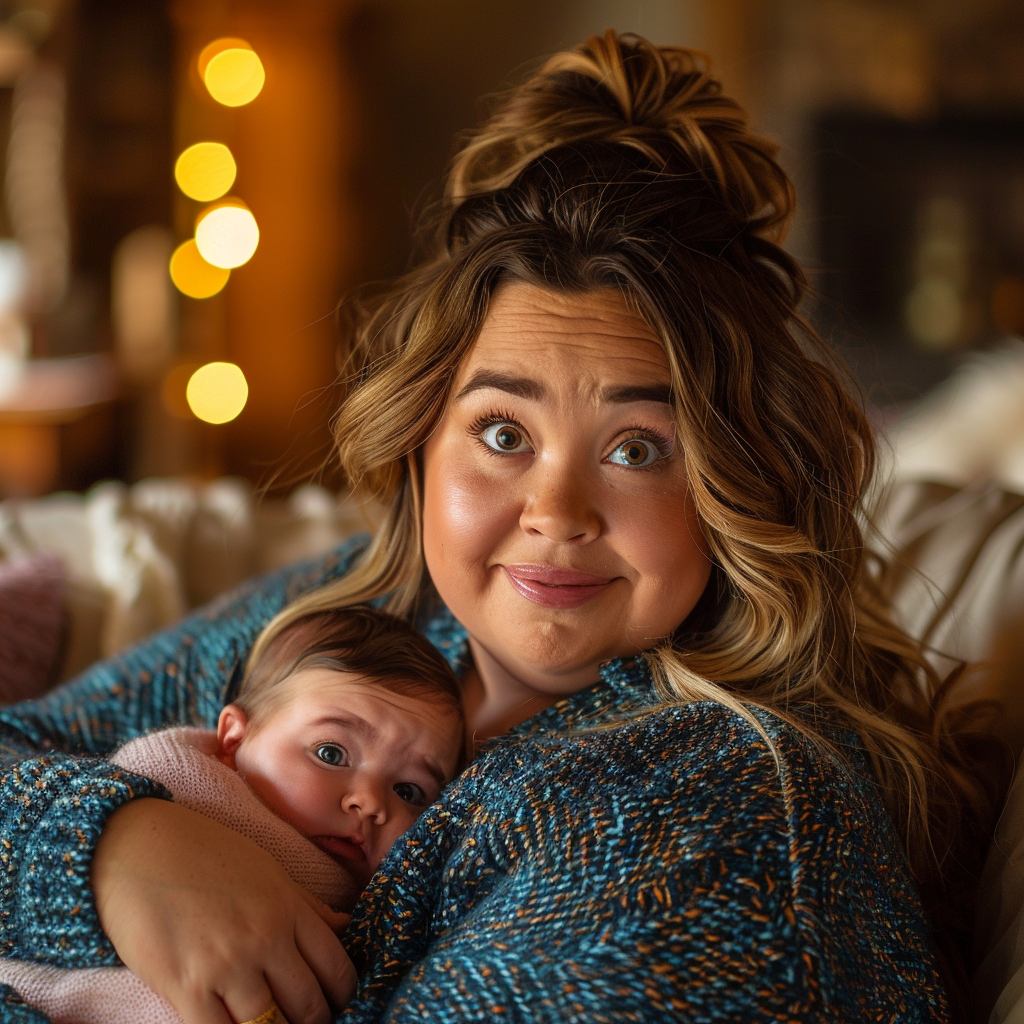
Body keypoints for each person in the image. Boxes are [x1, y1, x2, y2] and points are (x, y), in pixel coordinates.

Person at [0, 30, 1001, 1024]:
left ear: (741, 482)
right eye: (503, 430)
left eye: (638, 448)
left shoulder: (717, 813)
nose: (555, 513)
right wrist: (118, 850)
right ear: (422, 441)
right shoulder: (360, 615)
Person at [0, 606, 464, 1024]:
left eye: (409, 790)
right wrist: (112, 838)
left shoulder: (400, 898)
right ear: (233, 741)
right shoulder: (180, 785)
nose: (371, 802)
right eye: (330, 752)